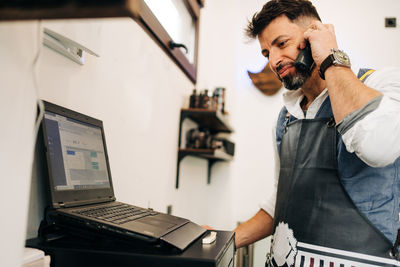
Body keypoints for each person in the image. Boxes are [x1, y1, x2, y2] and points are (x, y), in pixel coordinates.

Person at [234, 0, 400, 266]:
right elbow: (283, 198)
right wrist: (227, 239)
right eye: (266, 53)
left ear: (314, 34)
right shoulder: (286, 117)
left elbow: (378, 146)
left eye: (282, 43)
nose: (274, 61)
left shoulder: (384, 84)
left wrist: (331, 58)